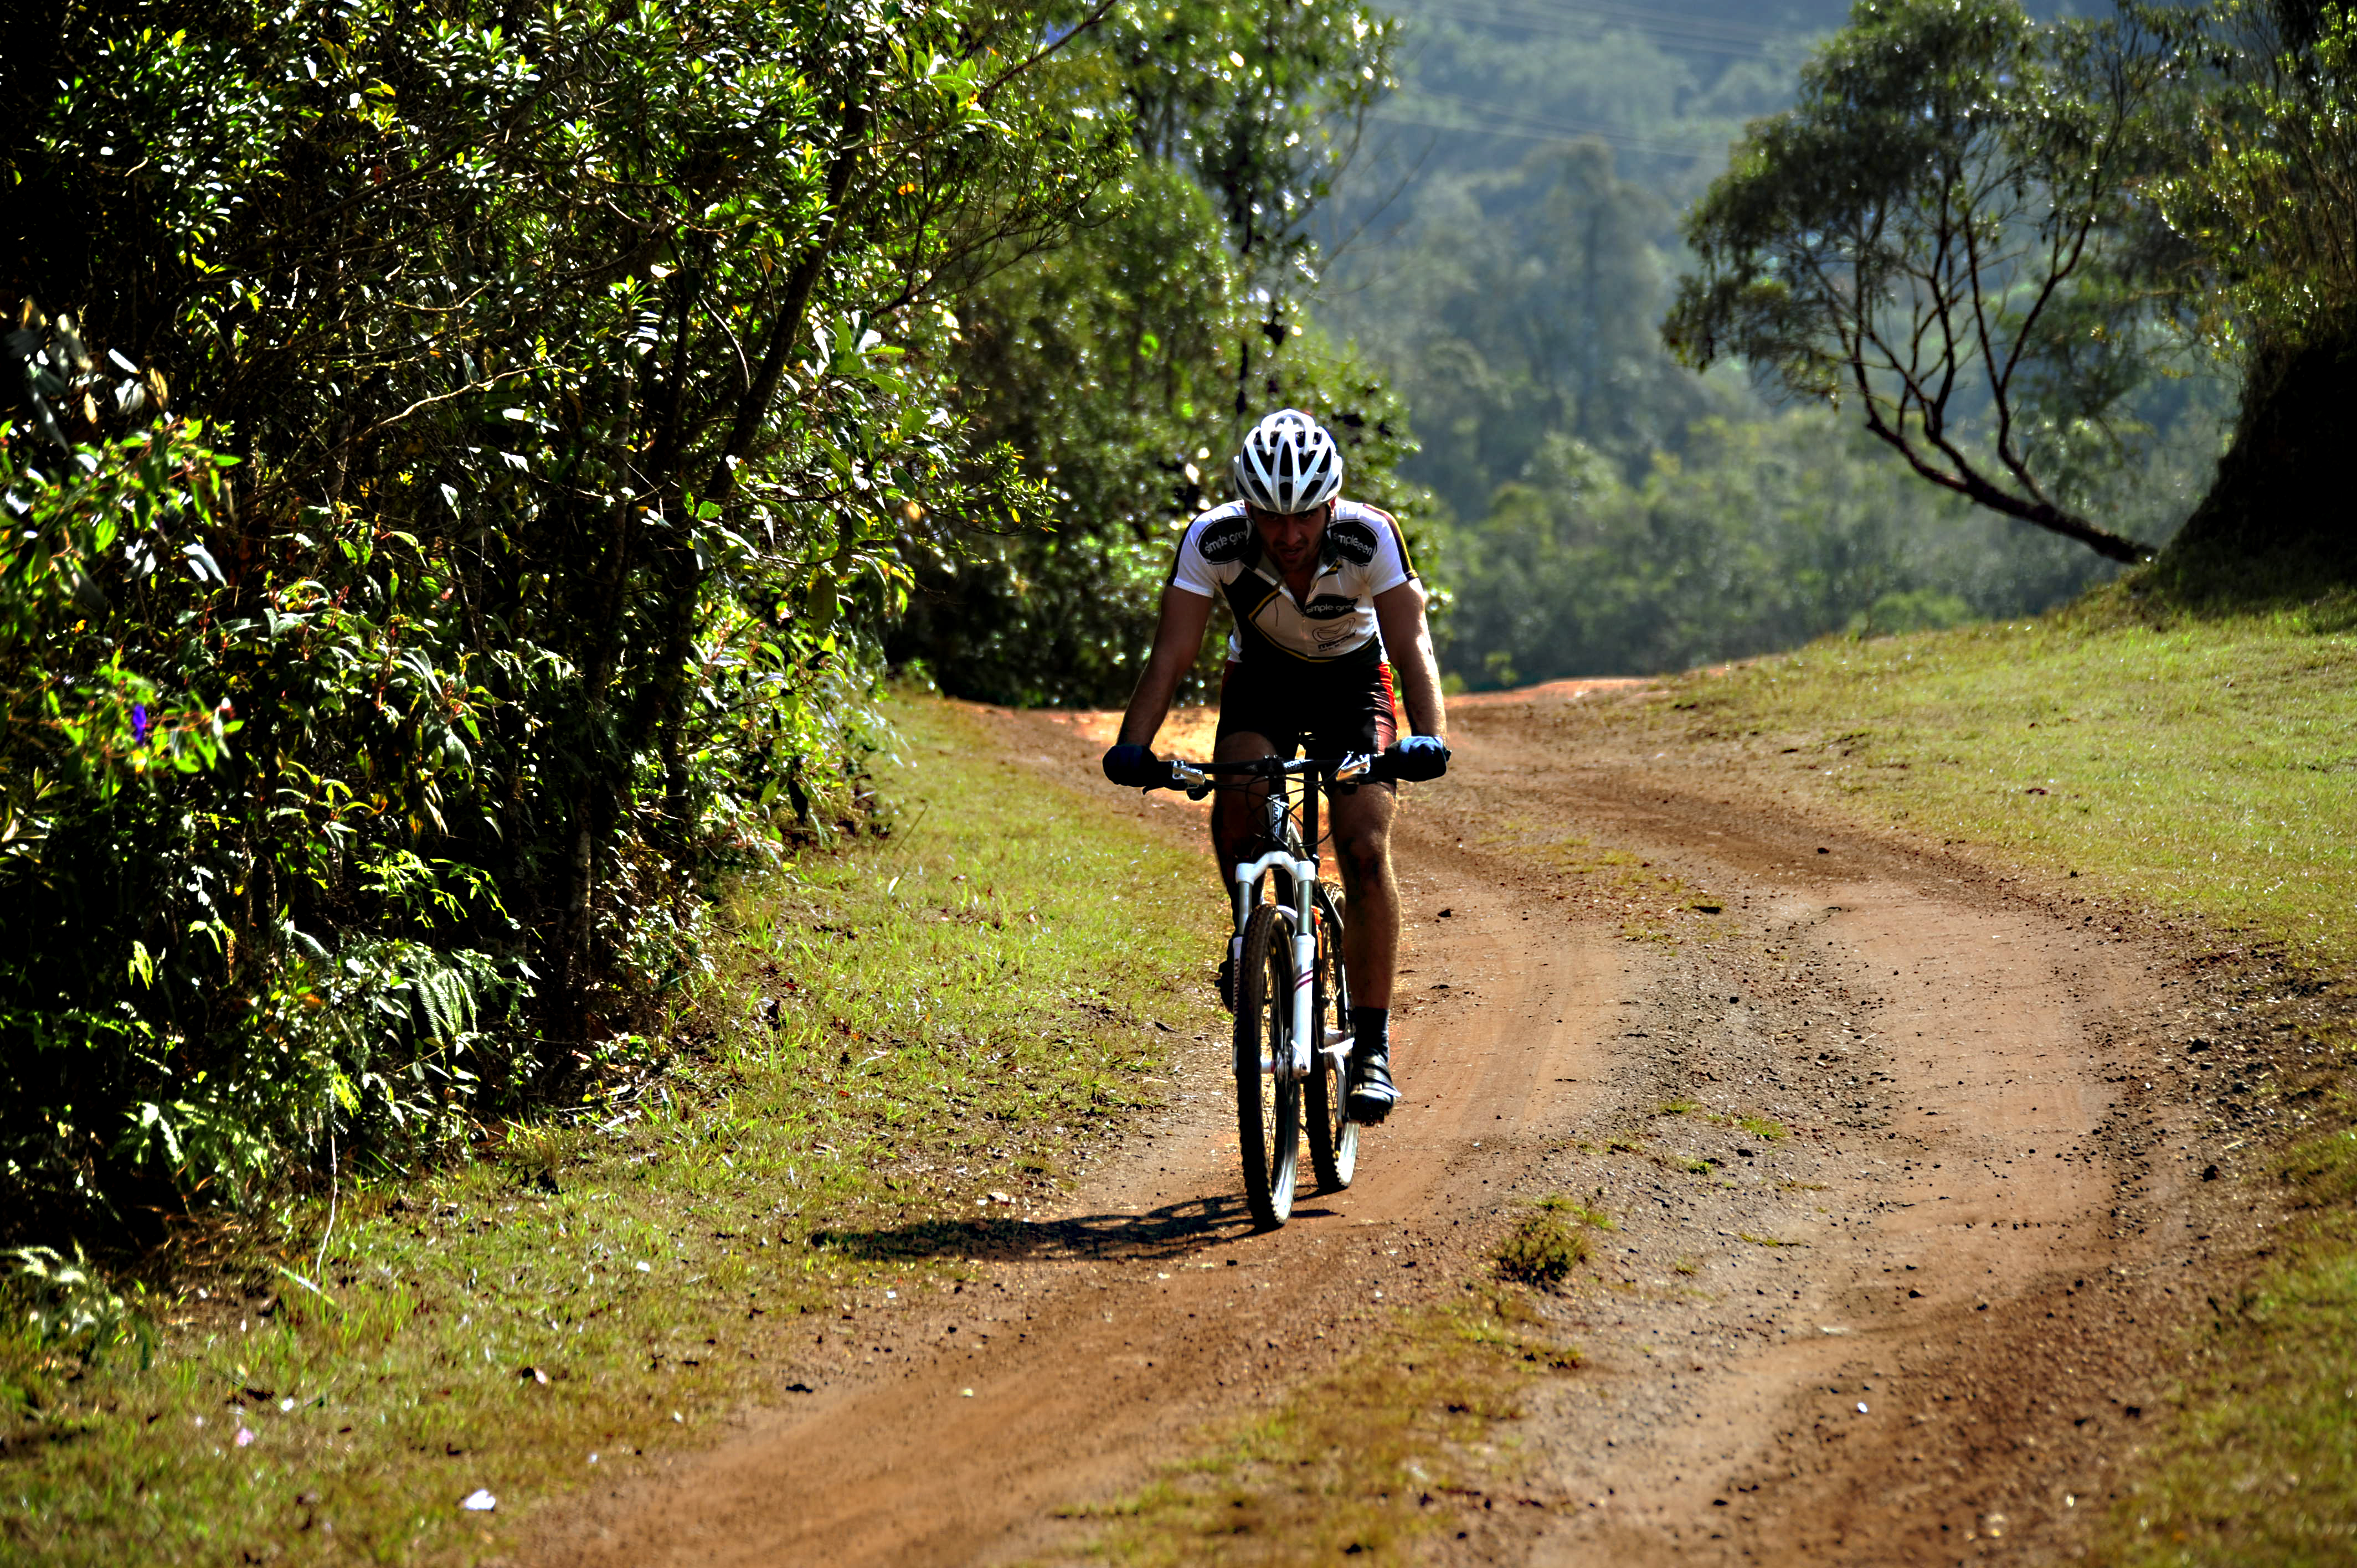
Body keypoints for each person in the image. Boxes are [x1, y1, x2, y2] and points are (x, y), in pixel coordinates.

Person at [1100, 409, 1449, 1124]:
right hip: (1261, 680)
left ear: (1330, 506)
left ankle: (1374, 1049)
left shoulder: (1369, 535)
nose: (1288, 537)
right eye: (1271, 518)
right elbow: (1172, 654)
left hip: (1355, 682)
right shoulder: (1214, 539)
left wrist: (1428, 736)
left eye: (1304, 519)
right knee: (1238, 794)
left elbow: (1413, 646)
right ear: (1248, 510)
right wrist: (1133, 745)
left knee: (1359, 841)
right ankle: (1248, 930)